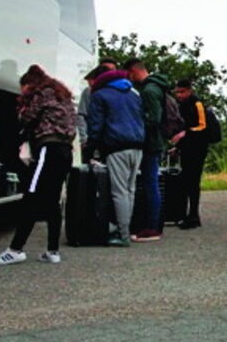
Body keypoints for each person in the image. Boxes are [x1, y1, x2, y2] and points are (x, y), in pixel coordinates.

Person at [0, 65, 76, 266]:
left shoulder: (41, 93)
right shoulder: (61, 95)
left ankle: (16, 249)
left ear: (29, 84)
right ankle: (52, 251)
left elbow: (27, 118)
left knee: (31, 196)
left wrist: (21, 110)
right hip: (65, 151)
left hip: (48, 149)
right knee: (52, 200)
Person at [87, 66, 146, 247]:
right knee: (130, 190)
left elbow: (96, 126)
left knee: (119, 192)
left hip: (117, 147)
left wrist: (90, 149)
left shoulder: (100, 95)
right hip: (138, 146)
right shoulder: (133, 94)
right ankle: (126, 228)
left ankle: (123, 234)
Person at [124, 58, 171, 242]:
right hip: (156, 142)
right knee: (151, 183)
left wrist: (135, 121)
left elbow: (154, 118)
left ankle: (152, 227)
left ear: (134, 71)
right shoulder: (157, 87)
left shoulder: (149, 90)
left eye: (130, 74)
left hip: (150, 144)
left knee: (151, 184)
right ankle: (152, 224)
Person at [171, 78, 212, 229]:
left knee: (193, 182)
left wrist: (185, 134)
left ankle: (194, 216)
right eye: (177, 92)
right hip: (187, 149)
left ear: (189, 91)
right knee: (185, 182)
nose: (179, 95)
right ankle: (183, 214)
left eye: (182, 92)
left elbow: (202, 126)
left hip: (198, 149)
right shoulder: (181, 106)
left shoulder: (197, 104)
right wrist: (178, 147)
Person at [77, 57, 117, 163]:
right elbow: (81, 116)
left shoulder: (117, 91)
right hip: (93, 143)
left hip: (111, 144)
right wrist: (84, 139)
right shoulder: (89, 92)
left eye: (112, 70)